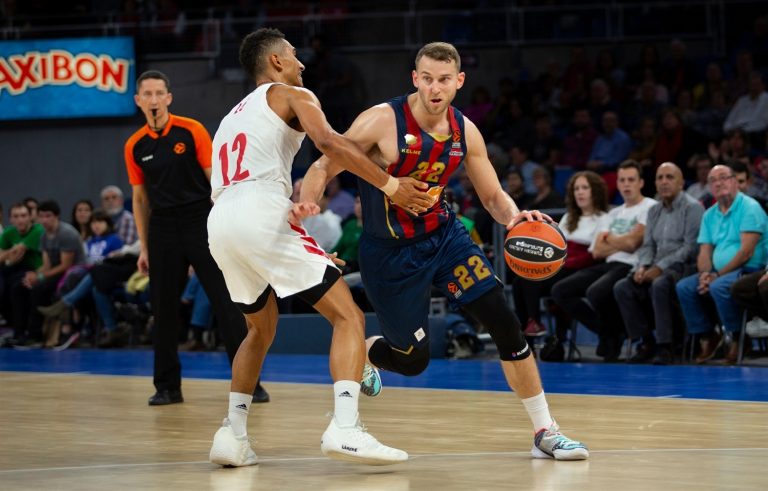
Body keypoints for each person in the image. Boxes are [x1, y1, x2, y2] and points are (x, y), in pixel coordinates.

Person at [301, 41, 588, 461]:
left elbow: (492, 195)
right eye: (428, 79)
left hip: (445, 238)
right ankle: (365, 352)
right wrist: (307, 211)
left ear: (459, 82)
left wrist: (515, 217)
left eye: (445, 80)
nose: (436, 88)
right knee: (413, 361)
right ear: (415, 79)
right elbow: (324, 163)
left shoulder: (464, 130)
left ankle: (546, 430)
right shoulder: (382, 121)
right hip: (390, 254)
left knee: (504, 321)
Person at [206, 28, 431, 467]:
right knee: (347, 314)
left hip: (221, 221)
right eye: (293, 55)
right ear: (275, 62)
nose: (301, 63)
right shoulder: (294, 94)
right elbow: (331, 145)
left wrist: (293, 233)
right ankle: (345, 428)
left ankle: (231, 436)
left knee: (259, 329)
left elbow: (248, 182)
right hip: (258, 209)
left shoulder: (230, 117)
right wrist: (390, 185)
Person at [125, 69, 268, 406]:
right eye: (147, 94)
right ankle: (167, 387)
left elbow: (216, 181)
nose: (154, 99)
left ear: (169, 98)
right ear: (138, 101)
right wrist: (145, 247)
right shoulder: (134, 145)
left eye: (160, 93)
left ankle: (250, 384)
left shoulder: (192, 131)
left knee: (226, 302)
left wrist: (228, 225)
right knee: (163, 309)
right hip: (162, 227)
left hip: (200, 219)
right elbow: (140, 199)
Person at [551, 160, 657, 361]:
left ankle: (613, 335)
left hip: (631, 263)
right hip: (606, 263)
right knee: (560, 290)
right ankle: (608, 332)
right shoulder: (614, 213)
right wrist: (622, 240)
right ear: (617, 184)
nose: (626, 185)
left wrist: (611, 239)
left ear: (641, 183)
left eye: (631, 180)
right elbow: (598, 250)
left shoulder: (650, 206)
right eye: (622, 180)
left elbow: (634, 243)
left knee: (596, 291)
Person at [613, 163, 705, 365]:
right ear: (654, 183)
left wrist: (660, 267)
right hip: (655, 265)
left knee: (660, 284)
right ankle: (646, 341)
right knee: (623, 287)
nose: (664, 182)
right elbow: (648, 245)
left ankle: (666, 346)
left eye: (670, 177)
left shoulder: (693, 208)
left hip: (684, 266)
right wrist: (643, 267)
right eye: (660, 177)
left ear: (681, 183)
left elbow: (690, 248)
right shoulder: (654, 210)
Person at [675, 165, 767, 364]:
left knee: (719, 286)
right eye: (713, 180)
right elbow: (705, 251)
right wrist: (705, 274)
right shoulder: (709, 214)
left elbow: (746, 253)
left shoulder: (749, 207)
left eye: (724, 177)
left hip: (749, 268)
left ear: (735, 181)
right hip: (719, 272)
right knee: (684, 287)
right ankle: (708, 336)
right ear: (709, 187)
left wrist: (716, 276)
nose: (719, 183)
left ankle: (735, 337)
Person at [514, 171, 609, 344]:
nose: (579, 192)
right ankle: (528, 335)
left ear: (595, 191)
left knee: (531, 277)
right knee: (519, 279)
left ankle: (534, 324)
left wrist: (562, 260)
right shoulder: (568, 218)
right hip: (560, 265)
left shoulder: (604, 218)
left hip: (581, 268)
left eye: (584, 188)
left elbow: (594, 254)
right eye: (576, 188)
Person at [10, 200, 85, 344]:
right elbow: (46, 264)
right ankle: (19, 333)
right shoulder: (44, 236)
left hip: (72, 274)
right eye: (41, 216)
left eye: (48, 216)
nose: (44, 220)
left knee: (38, 290)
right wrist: (33, 275)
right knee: (19, 287)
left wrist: (40, 276)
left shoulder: (66, 233)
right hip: (54, 273)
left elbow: (65, 265)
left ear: (56, 216)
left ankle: (35, 335)